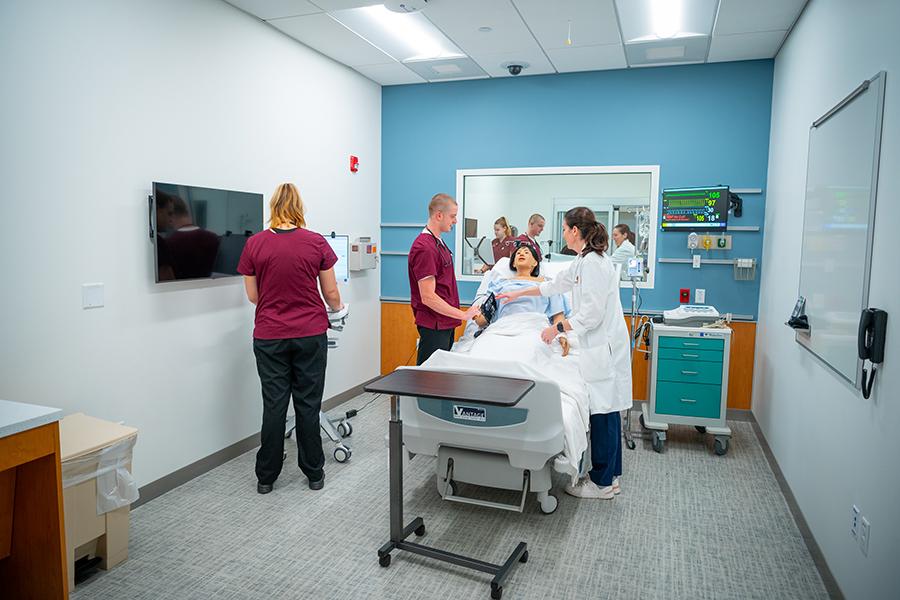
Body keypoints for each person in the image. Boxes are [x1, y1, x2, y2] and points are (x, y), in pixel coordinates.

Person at [498, 207, 632, 500]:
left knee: (604, 413)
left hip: (603, 347)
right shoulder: (583, 261)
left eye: (563, 228)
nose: (561, 234)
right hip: (598, 345)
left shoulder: (595, 263)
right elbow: (553, 286)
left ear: (575, 231)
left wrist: (557, 328)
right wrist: (516, 293)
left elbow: (591, 316)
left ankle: (602, 483)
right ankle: (612, 477)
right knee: (605, 412)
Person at [238, 183, 342, 495]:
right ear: (299, 207)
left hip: (270, 336)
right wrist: (337, 308)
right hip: (310, 334)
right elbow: (332, 293)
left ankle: (266, 477)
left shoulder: (254, 244)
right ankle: (314, 473)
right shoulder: (315, 242)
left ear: (273, 207)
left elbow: (253, 295)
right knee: (308, 405)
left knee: (274, 406)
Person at [408, 193, 479, 365]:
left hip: (444, 323)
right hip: (434, 324)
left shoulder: (437, 242)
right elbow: (428, 297)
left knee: (440, 376)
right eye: (453, 216)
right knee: (429, 379)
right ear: (439, 215)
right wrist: (463, 315)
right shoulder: (425, 247)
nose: (455, 221)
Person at [474, 244, 569, 356]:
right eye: (518, 253)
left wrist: (561, 335)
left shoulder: (548, 285)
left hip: (534, 328)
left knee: (528, 353)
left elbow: (558, 315)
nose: (521, 254)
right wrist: (476, 316)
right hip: (502, 328)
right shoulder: (499, 285)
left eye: (526, 252)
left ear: (535, 263)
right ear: (513, 263)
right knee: (483, 351)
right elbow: (483, 320)